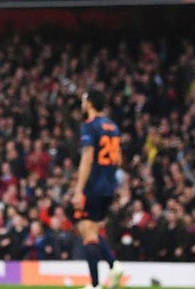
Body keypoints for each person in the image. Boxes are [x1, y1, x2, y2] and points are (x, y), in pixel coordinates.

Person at [71, 89, 124, 289]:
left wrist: (79, 189)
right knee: (89, 229)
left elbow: (87, 158)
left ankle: (94, 284)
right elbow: (118, 159)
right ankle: (114, 266)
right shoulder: (113, 127)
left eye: (84, 100)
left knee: (88, 232)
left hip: (93, 185)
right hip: (108, 185)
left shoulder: (89, 126)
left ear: (91, 103)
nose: (82, 103)